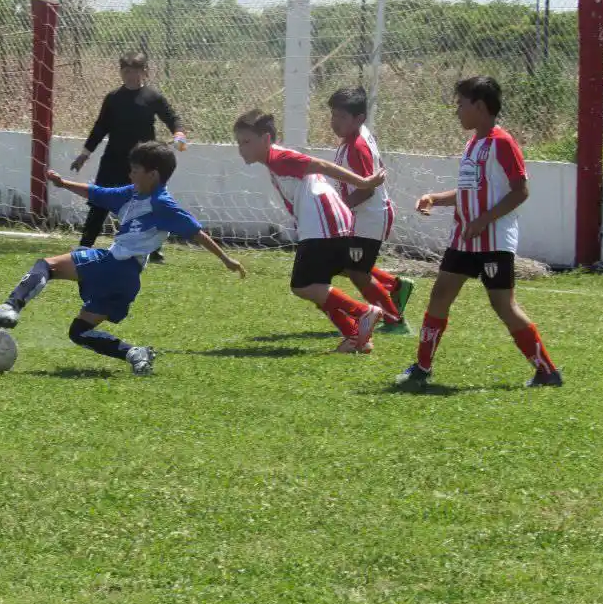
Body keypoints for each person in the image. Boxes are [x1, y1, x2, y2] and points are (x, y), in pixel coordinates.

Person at [0, 141, 245, 376]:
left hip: (114, 264)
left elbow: (196, 232)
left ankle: (11, 307)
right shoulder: (133, 193)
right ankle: (134, 353)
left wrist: (225, 259)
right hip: (127, 280)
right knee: (80, 331)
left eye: (135, 169)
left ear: (153, 174)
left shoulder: (162, 203)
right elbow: (98, 193)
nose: (130, 173)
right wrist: (63, 183)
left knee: (46, 265)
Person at [396, 77, 562, 389]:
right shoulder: (474, 143)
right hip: (464, 238)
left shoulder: (502, 143)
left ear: (480, 106)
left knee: (503, 305)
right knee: (440, 295)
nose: (457, 110)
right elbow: (469, 191)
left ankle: (547, 371)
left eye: (461, 104)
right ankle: (421, 366)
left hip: (493, 241)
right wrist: (436, 199)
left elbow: (521, 191)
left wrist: (484, 220)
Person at [233, 109, 388, 353]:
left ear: (265, 139)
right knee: (318, 289)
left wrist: (363, 182)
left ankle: (363, 312)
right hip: (324, 222)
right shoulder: (274, 161)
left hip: (322, 224)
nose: (241, 148)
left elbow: (322, 165)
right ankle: (356, 338)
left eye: (246, 142)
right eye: (239, 142)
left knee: (302, 286)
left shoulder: (279, 157)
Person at [71, 51, 187, 263]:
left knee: (149, 204)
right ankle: (84, 245)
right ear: (120, 72)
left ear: (145, 72)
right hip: (113, 159)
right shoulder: (113, 98)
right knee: (99, 202)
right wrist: (85, 154)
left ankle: (153, 250)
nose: (131, 76)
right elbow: (100, 128)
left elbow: (172, 118)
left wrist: (178, 133)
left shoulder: (153, 97)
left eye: (135, 72)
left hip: (144, 162)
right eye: (126, 72)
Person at [328, 87, 415, 334]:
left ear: (359, 119)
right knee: (341, 263)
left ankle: (395, 321)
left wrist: (339, 209)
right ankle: (394, 288)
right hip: (364, 217)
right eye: (333, 115)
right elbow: (377, 170)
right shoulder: (358, 137)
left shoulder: (357, 146)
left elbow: (366, 188)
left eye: (341, 117)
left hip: (367, 219)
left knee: (358, 273)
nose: (335, 122)